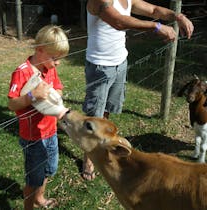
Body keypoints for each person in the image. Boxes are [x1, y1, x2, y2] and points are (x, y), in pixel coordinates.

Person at [82, 0, 194, 180]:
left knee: (107, 110)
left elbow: (153, 9)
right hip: (100, 66)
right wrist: (157, 27)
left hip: (120, 62)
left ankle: (101, 143)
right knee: (94, 115)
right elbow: (119, 21)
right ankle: (88, 158)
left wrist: (177, 16)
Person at [7, 25, 69, 210]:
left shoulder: (48, 67)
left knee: (50, 169)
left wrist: (53, 95)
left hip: (51, 131)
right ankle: (29, 205)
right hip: (32, 136)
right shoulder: (22, 72)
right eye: (55, 57)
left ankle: (39, 198)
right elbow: (11, 104)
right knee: (34, 178)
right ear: (40, 49)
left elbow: (57, 87)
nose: (57, 63)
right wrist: (32, 96)